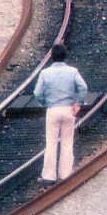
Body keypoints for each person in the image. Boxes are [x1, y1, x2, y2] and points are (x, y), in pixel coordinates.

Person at [33, 43, 88, 183]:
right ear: (65, 56)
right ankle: (65, 174)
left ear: (51, 57)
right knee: (67, 142)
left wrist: (45, 102)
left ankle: (49, 175)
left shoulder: (45, 73)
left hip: (52, 110)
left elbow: (37, 92)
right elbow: (83, 87)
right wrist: (78, 103)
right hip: (68, 110)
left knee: (51, 143)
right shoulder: (73, 71)